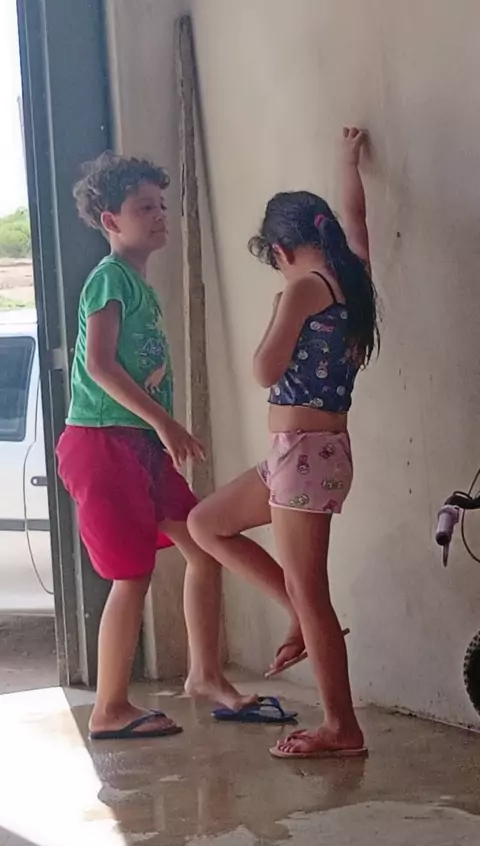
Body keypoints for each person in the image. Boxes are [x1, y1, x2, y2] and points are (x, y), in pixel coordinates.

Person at [187, 127, 379, 758]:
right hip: (301, 456)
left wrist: (278, 308)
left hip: (304, 456)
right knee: (206, 523)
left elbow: (265, 370)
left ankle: (341, 727)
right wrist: (347, 163)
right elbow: (357, 220)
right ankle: (295, 612)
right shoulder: (353, 275)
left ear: (280, 249)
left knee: (312, 590)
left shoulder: (301, 288)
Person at [57, 151, 256, 739]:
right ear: (110, 220)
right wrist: (166, 423)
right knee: (131, 575)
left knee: (204, 542)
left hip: (140, 444)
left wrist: (158, 430)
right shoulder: (109, 278)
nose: (160, 215)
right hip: (102, 442)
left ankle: (205, 674)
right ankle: (109, 707)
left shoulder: (138, 284)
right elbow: (98, 365)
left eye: (161, 205)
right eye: (145, 207)